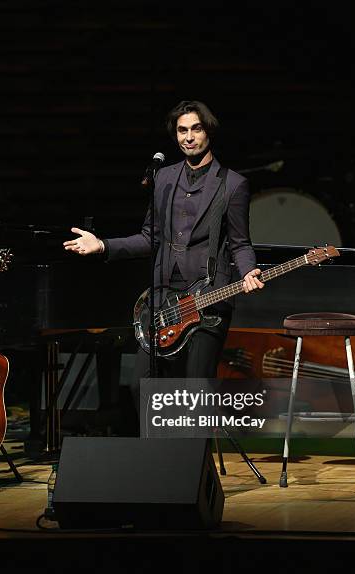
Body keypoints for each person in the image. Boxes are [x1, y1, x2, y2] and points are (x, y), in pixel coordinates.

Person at [63, 100, 264, 419]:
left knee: (196, 392)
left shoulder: (233, 184)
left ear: (208, 131)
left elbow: (239, 242)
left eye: (195, 129)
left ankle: (194, 466)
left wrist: (248, 269)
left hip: (207, 299)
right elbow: (149, 237)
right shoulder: (164, 179)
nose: (189, 137)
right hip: (163, 299)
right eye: (182, 130)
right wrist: (102, 245)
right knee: (141, 385)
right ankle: (158, 461)